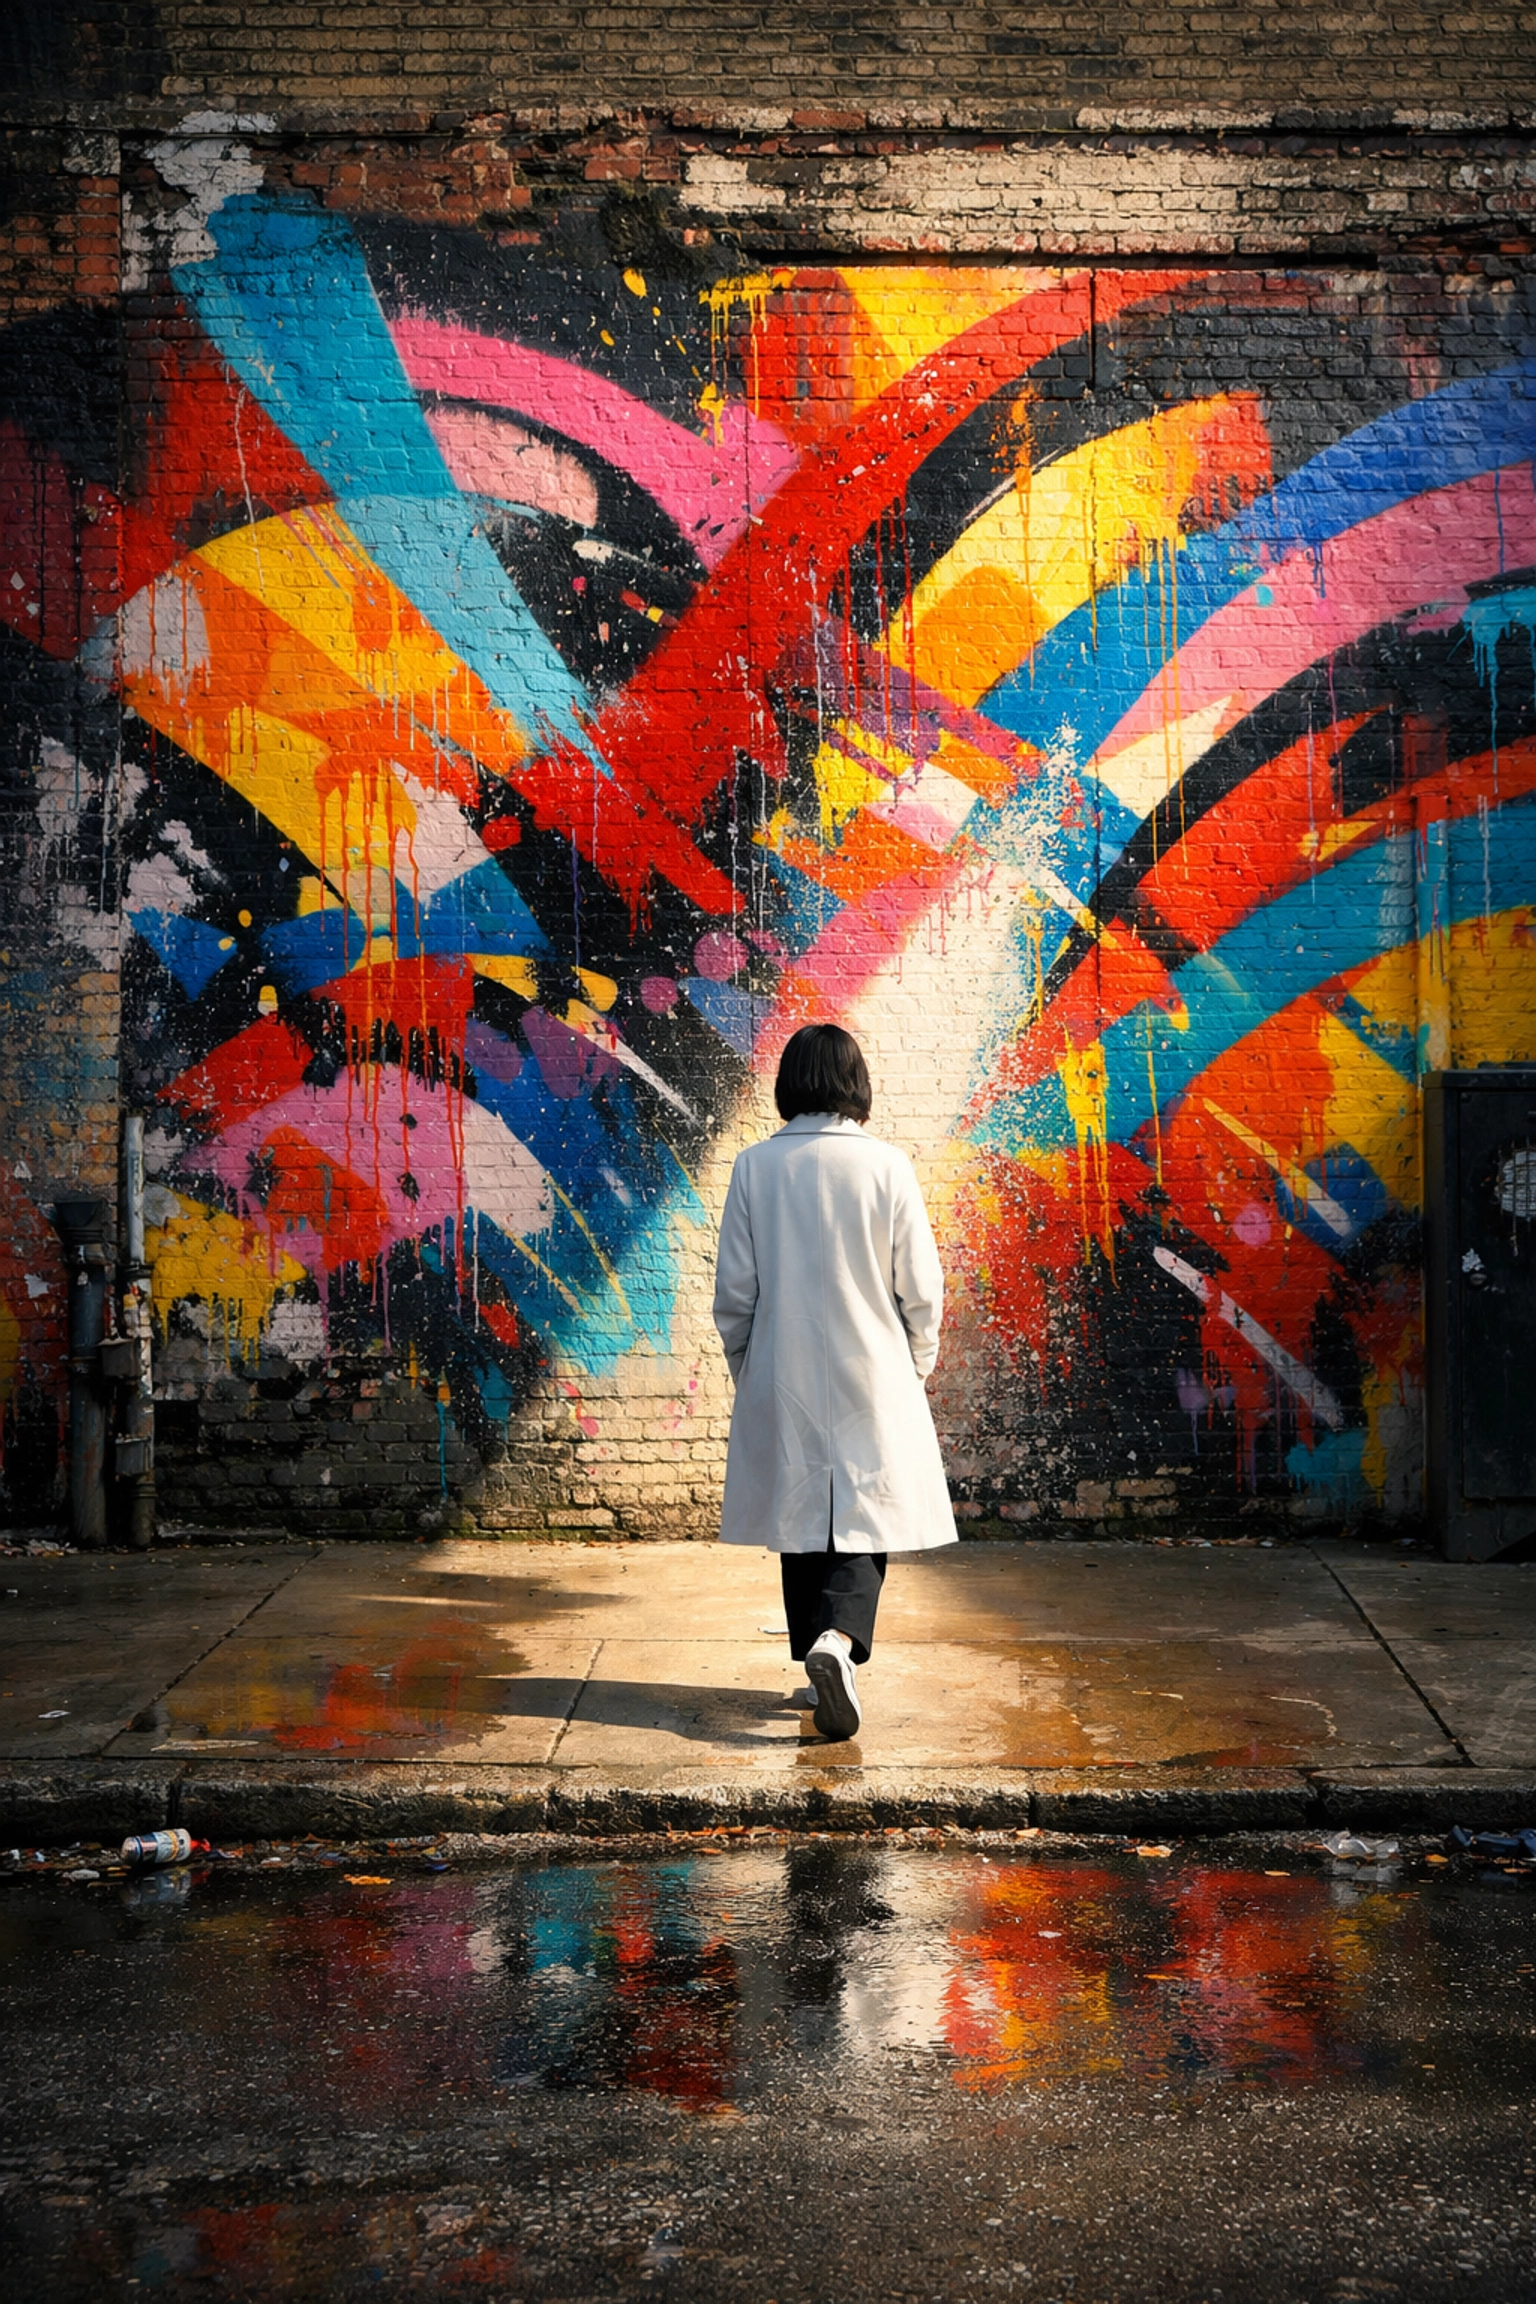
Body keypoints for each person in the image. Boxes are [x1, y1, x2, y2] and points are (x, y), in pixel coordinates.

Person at [712, 1022, 958, 1741]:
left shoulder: (755, 1168)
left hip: (781, 1369)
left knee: (799, 1515)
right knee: (864, 1517)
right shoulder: (887, 1167)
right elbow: (922, 1289)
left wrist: (749, 1368)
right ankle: (839, 1644)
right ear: (857, 1083)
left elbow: (734, 1294)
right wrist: (915, 1366)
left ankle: (821, 1651)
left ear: (789, 1084)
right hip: (874, 1372)